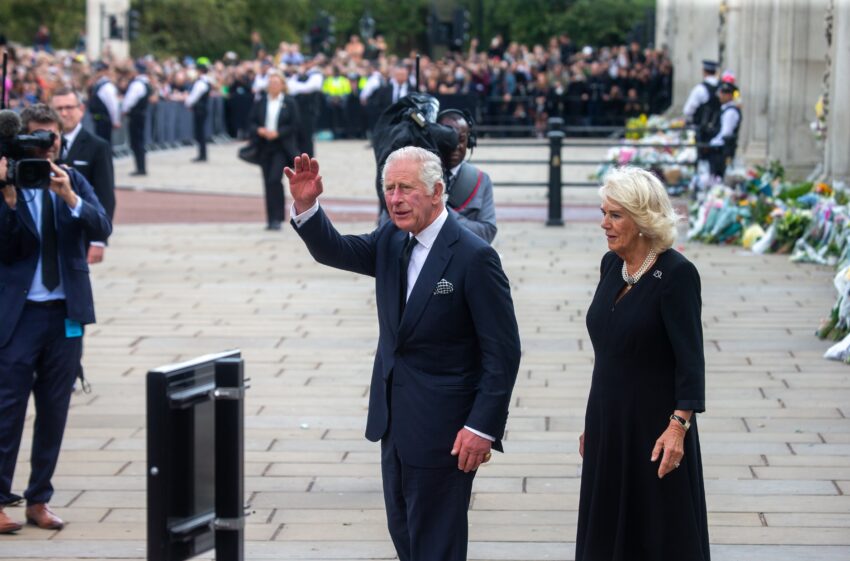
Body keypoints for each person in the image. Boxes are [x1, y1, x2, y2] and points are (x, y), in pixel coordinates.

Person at [286, 147, 521, 561]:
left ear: (437, 191)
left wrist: (482, 427)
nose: (395, 199)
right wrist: (307, 206)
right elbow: (336, 250)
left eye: (406, 188)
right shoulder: (392, 239)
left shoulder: (474, 257)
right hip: (393, 422)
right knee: (406, 538)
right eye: (389, 189)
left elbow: (503, 354)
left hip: (447, 431)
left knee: (436, 544)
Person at [576, 166, 709, 561]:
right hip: (608, 420)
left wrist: (678, 427)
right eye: (604, 212)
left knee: (655, 533)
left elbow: (691, 362)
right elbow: (609, 352)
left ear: (642, 219)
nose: (604, 223)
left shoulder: (677, 276)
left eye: (615, 215)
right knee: (606, 529)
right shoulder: (610, 266)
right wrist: (592, 422)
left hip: (655, 429)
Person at [0, 104, 112, 534]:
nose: (47, 149)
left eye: (54, 140)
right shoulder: (7, 184)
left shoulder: (72, 179)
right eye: (37, 140)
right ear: (19, 142)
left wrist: (70, 197)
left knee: (54, 410)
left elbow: (102, 224)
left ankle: (39, 499)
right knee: (7, 408)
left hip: (65, 314)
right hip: (18, 315)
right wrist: (9, 200)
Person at [50, 88, 115, 264]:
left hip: (81, 227)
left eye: (69, 107)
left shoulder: (97, 146)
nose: (64, 113)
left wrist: (98, 240)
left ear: (81, 109)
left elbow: (105, 194)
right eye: (59, 108)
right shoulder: (43, 144)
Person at [248, 70, 299, 230]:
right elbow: (251, 122)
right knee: (267, 182)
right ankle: (270, 218)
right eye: (270, 83)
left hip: (281, 147)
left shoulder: (289, 102)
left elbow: (295, 124)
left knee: (274, 179)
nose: (273, 86)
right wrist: (260, 130)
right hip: (264, 146)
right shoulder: (261, 101)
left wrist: (279, 132)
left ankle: (277, 217)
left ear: (282, 85)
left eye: (276, 83)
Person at [437, 108, 497, 243]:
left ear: (469, 142)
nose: (455, 146)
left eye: (461, 139)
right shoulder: (419, 177)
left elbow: (487, 232)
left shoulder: (481, 180)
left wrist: (441, 213)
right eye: (448, 139)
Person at [122, 60, 152, 176]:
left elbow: (129, 101)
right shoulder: (146, 83)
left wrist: (124, 110)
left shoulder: (137, 84)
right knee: (139, 141)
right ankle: (141, 166)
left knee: (136, 142)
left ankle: (140, 168)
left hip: (135, 116)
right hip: (141, 115)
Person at [708, 82, 742, 179]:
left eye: (723, 93)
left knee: (718, 176)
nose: (720, 96)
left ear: (729, 95)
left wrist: (712, 143)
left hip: (723, 150)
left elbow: (726, 133)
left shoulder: (730, 112)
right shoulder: (725, 109)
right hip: (720, 148)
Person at [87, 62, 122, 145]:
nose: (97, 73)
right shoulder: (98, 84)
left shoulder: (107, 86)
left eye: (99, 70)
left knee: (105, 144)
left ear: (105, 71)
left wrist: (115, 121)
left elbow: (113, 106)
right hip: (98, 120)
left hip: (104, 120)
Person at [185, 58, 212, 162]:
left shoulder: (201, 82)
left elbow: (194, 96)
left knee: (200, 132)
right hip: (202, 108)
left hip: (199, 109)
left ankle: (202, 155)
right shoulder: (206, 81)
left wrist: (188, 103)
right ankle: (202, 154)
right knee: (200, 132)